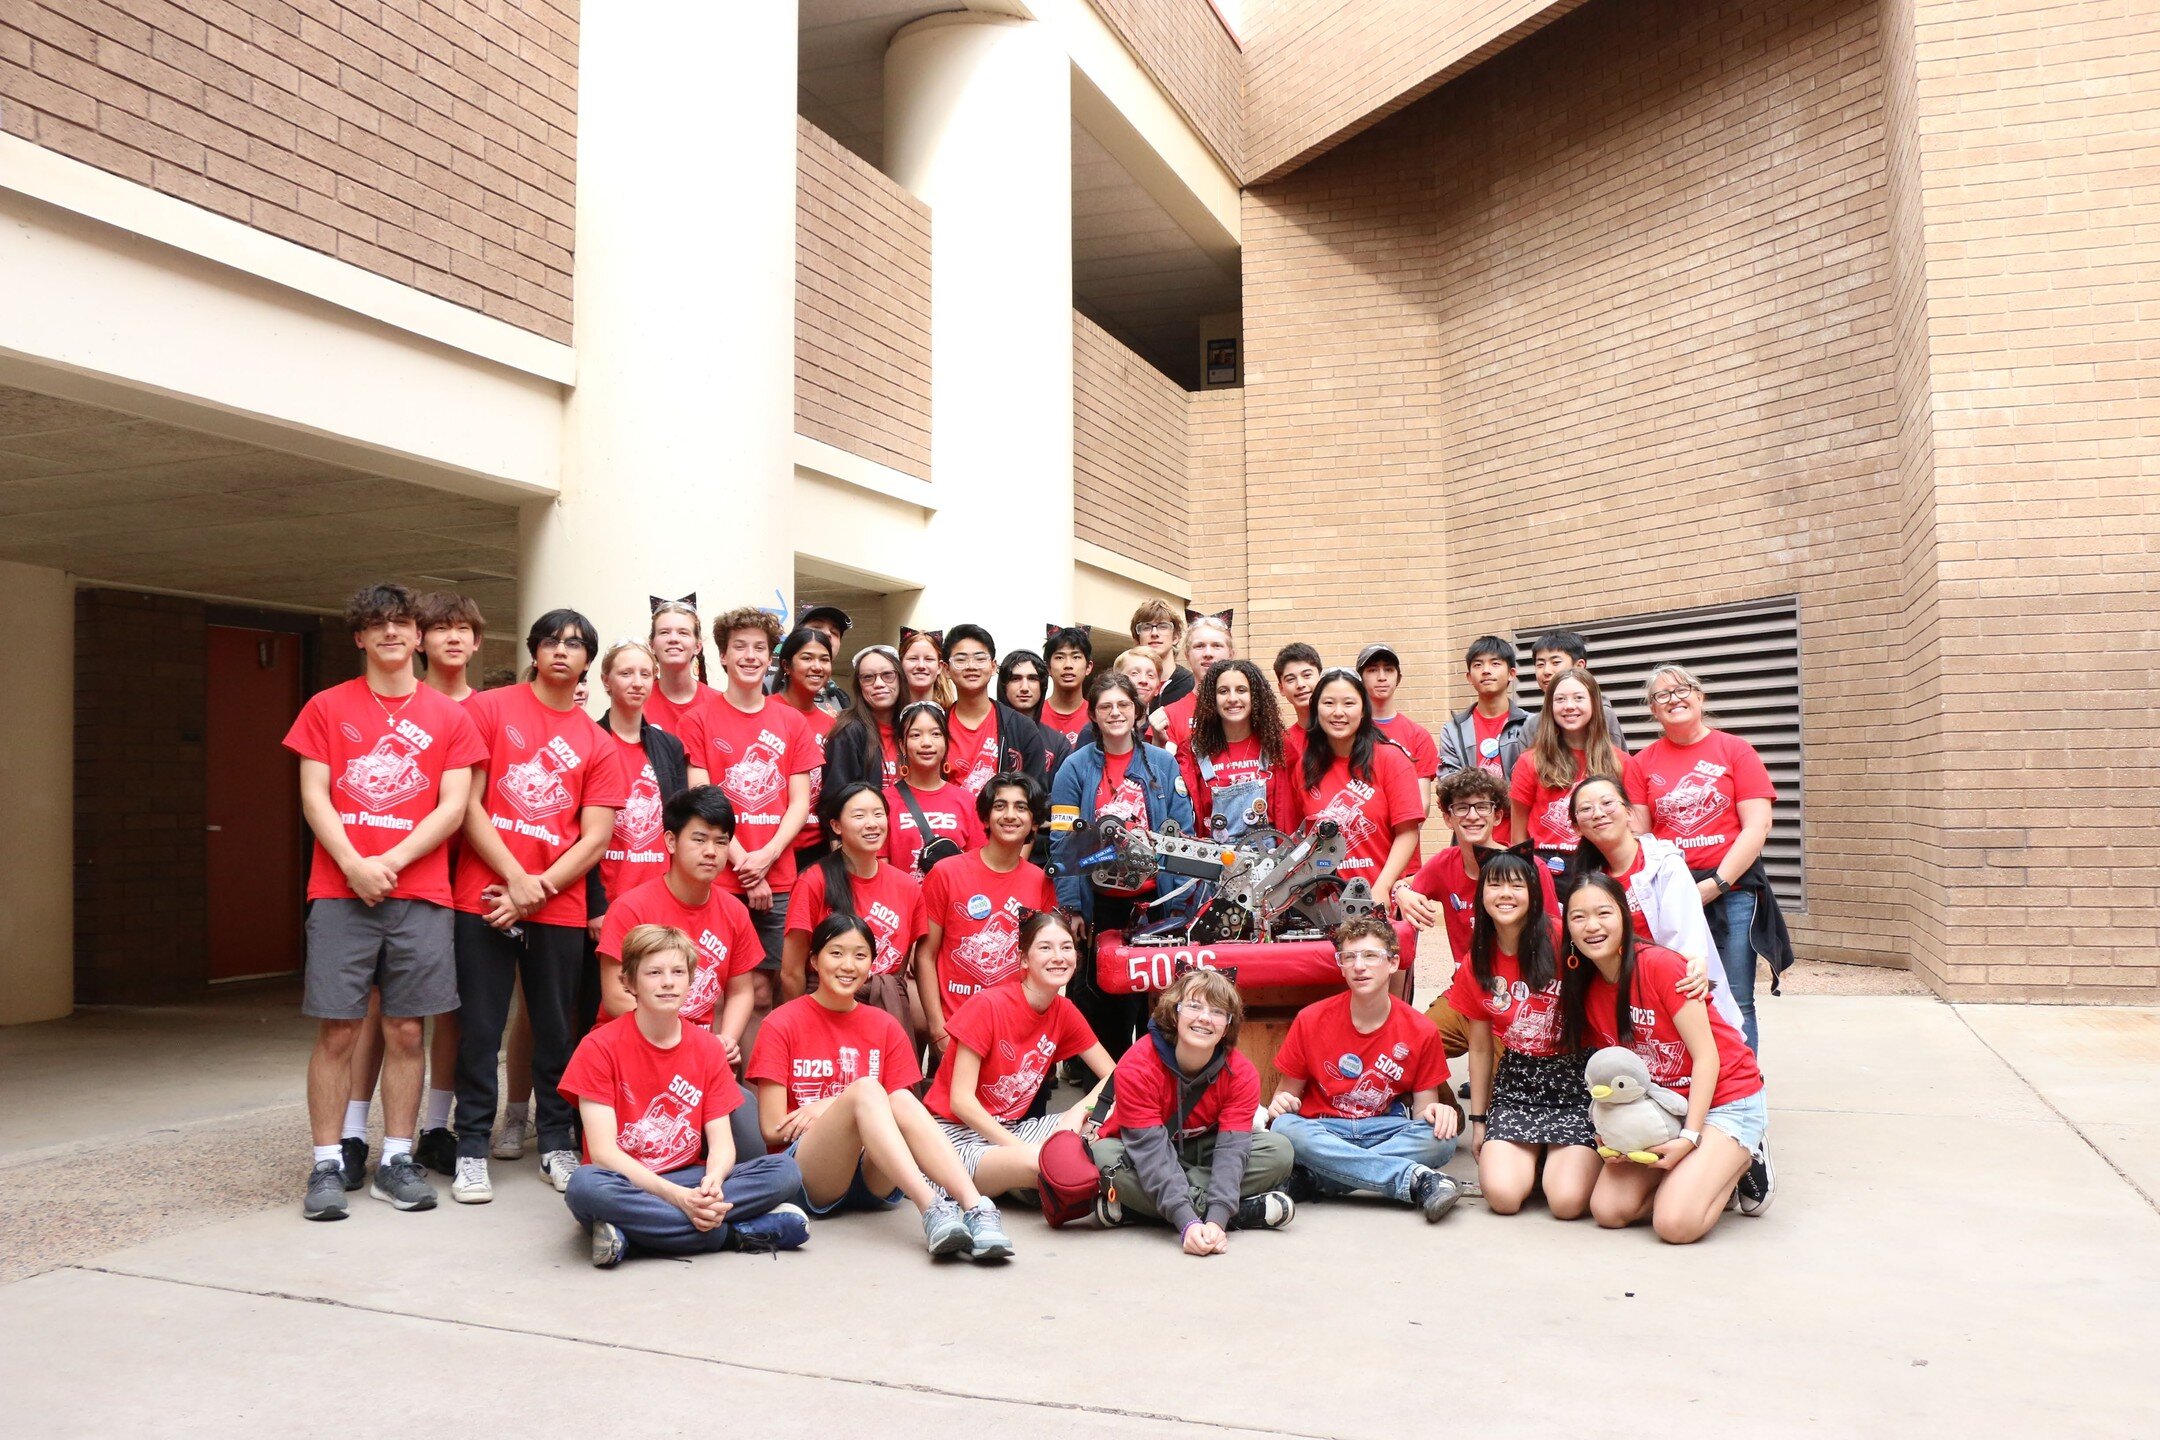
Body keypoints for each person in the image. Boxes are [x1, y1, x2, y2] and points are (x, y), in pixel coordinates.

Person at [286, 583, 486, 1220]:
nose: (392, 633)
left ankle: (397, 1158)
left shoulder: (450, 717)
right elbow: (315, 795)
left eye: (402, 623)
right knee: (338, 1030)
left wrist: (392, 863)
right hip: (339, 892)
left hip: (421, 893)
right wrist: (351, 863)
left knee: (406, 1029)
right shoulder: (325, 706)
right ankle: (325, 1164)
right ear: (360, 636)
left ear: (417, 634)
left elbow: (453, 807)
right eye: (378, 624)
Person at [449, 607, 628, 1203]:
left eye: (575, 645)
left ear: (587, 663)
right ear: (534, 650)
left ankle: (555, 1141)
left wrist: (536, 889)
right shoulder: (489, 709)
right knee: (479, 1027)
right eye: (550, 641)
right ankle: (470, 1147)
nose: (561, 651)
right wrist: (515, 879)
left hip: (556, 905)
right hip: (486, 897)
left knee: (556, 1030)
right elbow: (466, 805)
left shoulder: (597, 742)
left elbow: (596, 838)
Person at [747, 913, 1016, 1260]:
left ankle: (976, 1207)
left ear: (872, 965)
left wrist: (823, 1104)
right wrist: (836, 1105)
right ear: (814, 960)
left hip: (876, 1175)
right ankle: (931, 1207)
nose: (848, 965)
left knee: (901, 1097)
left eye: (860, 955)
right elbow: (771, 1129)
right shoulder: (781, 1023)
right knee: (869, 1090)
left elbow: (903, 1115)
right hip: (813, 1174)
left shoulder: (884, 1026)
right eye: (836, 953)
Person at [560, 924, 809, 1268]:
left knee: (784, 1170)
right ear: (629, 983)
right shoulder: (599, 1047)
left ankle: (632, 1235)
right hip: (627, 1180)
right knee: (584, 1186)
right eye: (654, 973)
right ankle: (735, 1234)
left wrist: (713, 1183)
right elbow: (603, 1153)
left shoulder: (708, 1047)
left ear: (691, 981)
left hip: (688, 1175)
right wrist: (679, 1199)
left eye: (678, 972)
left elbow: (721, 1142)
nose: (667, 982)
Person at [351, 588, 484, 1175]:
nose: (452, 638)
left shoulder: (487, 709)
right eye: (440, 628)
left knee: (447, 1007)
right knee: (378, 1006)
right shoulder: (396, 702)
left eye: (464, 629)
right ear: (419, 639)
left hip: (465, 877)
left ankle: (435, 1126)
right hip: (396, 877)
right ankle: (354, 1131)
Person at [1561, 874, 1772, 1240]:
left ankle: (1741, 1160)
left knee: (1675, 1224)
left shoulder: (1661, 966)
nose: (1591, 926)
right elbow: (1615, 1075)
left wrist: (1690, 1138)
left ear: (1625, 917)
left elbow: (1707, 1057)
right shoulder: (1587, 988)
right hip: (1662, 1107)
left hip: (1725, 1099)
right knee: (1608, 1211)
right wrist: (1610, 1135)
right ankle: (1699, 1179)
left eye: (1603, 913)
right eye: (1578, 917)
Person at [1625, 662, 1781, 1051]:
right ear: (1653, 710)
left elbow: (1757, 826)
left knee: (1737, 998)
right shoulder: (1642, 763)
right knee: (1678, 995)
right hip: (1672, 891)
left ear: (1700, 696)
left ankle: (1743, 1099)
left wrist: (1717, 884)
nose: (1674, 698)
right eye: (1662, 695)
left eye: (1682, 690)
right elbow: (1641, 835)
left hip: (1734, 891)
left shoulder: (1735, 750)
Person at [1265, 918, 1461, 1221]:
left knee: (1442, 1138)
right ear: (1341, 965)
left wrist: (1438, 1113)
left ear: (1393, 962)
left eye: (1371, 956)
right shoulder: (1311, 1019)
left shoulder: (1421, 1029)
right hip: (1325, 1127)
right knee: (1283, 1129)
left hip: (1384, 1129)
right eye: (1349, 957)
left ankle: (1320, 1178)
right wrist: (1282, 1104)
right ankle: (1415, 1179)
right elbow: (1284, 1096)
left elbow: (1424, 1110)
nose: (1359, 966)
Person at [1092, 969, 1297, 1249]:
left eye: (1217, 1011)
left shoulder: (1241, 1073)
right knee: (1102, 1158)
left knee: (1279, 1150)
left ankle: (1135, 1210)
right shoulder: (1137, 1065)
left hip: (1203, 1153)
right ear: (1175, 1013)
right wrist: (1187, 1222)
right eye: (1194, 1006)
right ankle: (1246, 1212)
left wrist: (1216, 1220)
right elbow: (1152, 1154)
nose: (1204, 1018)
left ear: (1228, 1024)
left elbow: (1232, 1151)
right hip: (1139, 1154)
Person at [1049, 673, 1194, 1057]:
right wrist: (1073, 908)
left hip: (1157, 904)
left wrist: (1179, 904)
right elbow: (1062, 842)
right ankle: (1109, 1091)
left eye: (1123, 705)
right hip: (1102, 906)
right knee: (1107, 1006)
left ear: (1137, 711)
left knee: (1159, 1005)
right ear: (1093, 716)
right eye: (1105, 707)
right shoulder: (1074, 768)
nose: (1115, 713)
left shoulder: (1163, 764)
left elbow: (1182, 836)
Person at [1447, 852, 1598, 1219]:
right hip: (1518, 1084)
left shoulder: (1563, 936)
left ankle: (1553, 1161)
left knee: (1566, 1203)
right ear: (1481, 894)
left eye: (1517, 884)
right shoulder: (1477, 958)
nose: (1505, 893)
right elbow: (1481, 1049)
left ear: (1533, 891)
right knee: (1502, 1197)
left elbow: (1619, 961)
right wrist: (1479, 1122)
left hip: (1575, 1083)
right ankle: (1538, 1159)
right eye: (1495, 884)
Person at [681, 607, 816, 1014]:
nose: (750, 656)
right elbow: (702, 800)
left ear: (771, 657)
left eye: (760, 648)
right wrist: (744, 864)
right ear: (722, 656)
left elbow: (799, 803)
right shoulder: (698, 719)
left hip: (777, 877)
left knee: (764, 991)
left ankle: (757, 1079)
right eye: (739, 647)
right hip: (717, 875)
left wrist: (767, 857)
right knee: (712, 987)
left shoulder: (792, 722)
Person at [924, 909, 1115, 1193]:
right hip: (955, 1137)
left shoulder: (1064, 1011)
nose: (1059, 957)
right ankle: (1049, 1175)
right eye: (1045, 948)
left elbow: (1114, 1076)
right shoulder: (987, 1005)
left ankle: (1046, 1176)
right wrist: (1019, 1148)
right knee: (1043, 1162)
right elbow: (960, 1103)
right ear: (1023, 958)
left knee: (1113, 1119)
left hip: (1016, 1129)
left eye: (1066, 947)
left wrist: (1079, 1113)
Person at [595, 787, 761, 1071]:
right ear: (671, 841)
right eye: (699, 840)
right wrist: (684, 1039)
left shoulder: (735, 911)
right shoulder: (631, 908)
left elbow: (741, 991)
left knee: (745, 1113)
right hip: (632, 1048)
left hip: (700, 1055)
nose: (711, 852)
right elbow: (614, 996)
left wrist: (727, 1041)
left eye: (721, 842)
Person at [1566, 775, 1741, 1034]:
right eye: (1586, 809)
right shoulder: (1588, 878)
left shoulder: (1665, 865)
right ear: (1577, 826)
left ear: (1628, 813)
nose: (1598, 813)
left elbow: (1684, 946)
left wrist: (1690, 971)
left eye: (1607, 803)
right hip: (1616, 997)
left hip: (1668, 995)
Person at [918, 773, 1058, 1050]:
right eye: (999, 806)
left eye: (1021, 807)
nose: (1010, 815)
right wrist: (938, 1030)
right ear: (985, 817)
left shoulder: (1041, 881)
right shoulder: (946, 873)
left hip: (1014, 1034)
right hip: (954, 1031)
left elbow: (1042, 964)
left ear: (1034, 821)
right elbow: (925, 955)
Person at [781, 783, 927, 1043]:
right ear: (836, 826)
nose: (871, 824)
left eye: (878, 814)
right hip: (825, 1009)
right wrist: (800, 1025)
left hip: (886, 1011)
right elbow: (792, 971)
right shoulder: (814, 882)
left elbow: (900, 968)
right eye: (859, 816)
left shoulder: (907, 886)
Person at [1297, 669, 1424, 903]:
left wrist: (1382, 887)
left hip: (1381, 897)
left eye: (1349, 703)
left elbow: (1407, 833)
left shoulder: (1391, 759)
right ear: (1316, 708)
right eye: (1328, 703)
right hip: (1326, 906)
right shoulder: (1306, 767)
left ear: (1364, 709)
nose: (1338, 712)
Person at [1510, 668, 1628, 873]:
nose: (1569, 706)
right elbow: (1518, 836)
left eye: (1579, 698)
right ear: (1550, 707)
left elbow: (1631, 828)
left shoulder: (1621, 762)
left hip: (1602, 867)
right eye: (1560, 699)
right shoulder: (1529, 761)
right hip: (1545, 871)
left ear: (1594, 703)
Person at [1178, 658, 1300, 839]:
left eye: (1241, 690)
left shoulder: (1278, 746)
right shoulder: (1194, 750)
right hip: (1215, 860)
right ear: (1212, 698)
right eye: (1223, 691)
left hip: (1271, 860)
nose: (1232, 699)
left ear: (1255, 696)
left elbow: (1293, 811)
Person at [941, 625, 1059, 795]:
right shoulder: (936, 726)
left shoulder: (1022, 728)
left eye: (980, 658)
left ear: (993, 666)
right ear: (945, 669)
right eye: (961, 660)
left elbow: (1035, 796)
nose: (971, 666)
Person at [1439, 636, 1530, 841]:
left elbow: (1533, 785)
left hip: (1519, 838)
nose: (1486, 670)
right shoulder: (1453, 729)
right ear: (1469, 676)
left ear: (1511, 673)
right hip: (1470, 839)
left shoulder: (1531, 725)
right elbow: (1450, 787)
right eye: (1478, 665)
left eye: (1495, 663)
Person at [884, 701, 986, 873]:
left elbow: (978, 867)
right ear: (902, 745)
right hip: (903, 899)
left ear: (946, 743)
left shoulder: (968, 802)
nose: (926, 743)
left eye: (936, 734)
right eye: (915, 735)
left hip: (953, 898)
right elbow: (881, 870)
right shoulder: (885, 801)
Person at [773, 626, 838, 862]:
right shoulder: (766, 711)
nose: (817, 666)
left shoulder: (833, 724)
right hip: (771, 844)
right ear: (786, 666)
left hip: (816, 849)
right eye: (807, 658)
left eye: (824, 659)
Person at [1357, 642, 1440, 815]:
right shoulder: (1349, 731)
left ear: (1398, 678)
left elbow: (1422, 804)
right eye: (1372, 670)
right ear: (1360, 679)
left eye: (1388, 669)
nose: (1381, 677)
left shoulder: (1418, 736)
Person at [1521, 628, 1627, 749]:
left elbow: (1616, 764)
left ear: (1579, 666)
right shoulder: (1531, 726)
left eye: (1555, 662)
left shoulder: (1603, 715)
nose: (1546, 671)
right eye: (1540, 664)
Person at [823, 644, 904, 798]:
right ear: (859, 686)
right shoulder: (848, 732)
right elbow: (836, 798)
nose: (879, 684)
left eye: (887, 675)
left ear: (900, 679)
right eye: (868, 677)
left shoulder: (911, 728)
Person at [1155, 611, 1234, 756]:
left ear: (1231, 653)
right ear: (1187, 655)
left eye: (1217, 645)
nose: (1208, 653)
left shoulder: (1248, 708)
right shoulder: (1169, 715)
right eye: (1199, 646)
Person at [645, 598, 722, 735]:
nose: (673, 639)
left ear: (698, 646)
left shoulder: (719, 705)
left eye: (683, 633)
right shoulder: (638, 702)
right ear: (652, 645)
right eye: (664, 632)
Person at [1128, 599, 1191, 706]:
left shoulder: (1190, 686)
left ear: (1176, 637)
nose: (1154, 633)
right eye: (1146, 627)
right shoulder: (1126, 686)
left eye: (1163, 626)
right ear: (1137, 639)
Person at [1039, 625, 1095, 742]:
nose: (1068, 665)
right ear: (1048, 667)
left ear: (1088, 667)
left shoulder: (1098, 716)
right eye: (1059, 658)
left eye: (1076, 657)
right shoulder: (1034, 716)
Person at [1273, 642, 1323, 733]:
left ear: (1321, 678)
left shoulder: (1343, 733)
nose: (1300, 684)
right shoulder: (1282, 744)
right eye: (1290, 679)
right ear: (1281, 688)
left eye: (1307, 675)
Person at [898, 626, 954, 707]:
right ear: (900, 664)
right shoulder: (889, 716)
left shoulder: (951, 716)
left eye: (929, 659)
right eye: (913, 658)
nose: (921, 666)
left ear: (939, 667)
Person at [997, 649, 1046, 718]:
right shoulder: (988, 727)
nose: (1024, 688)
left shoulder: (1051, 727)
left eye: (1032, 679)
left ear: (1043, 685)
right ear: (1003, 685)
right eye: (1015, 679)